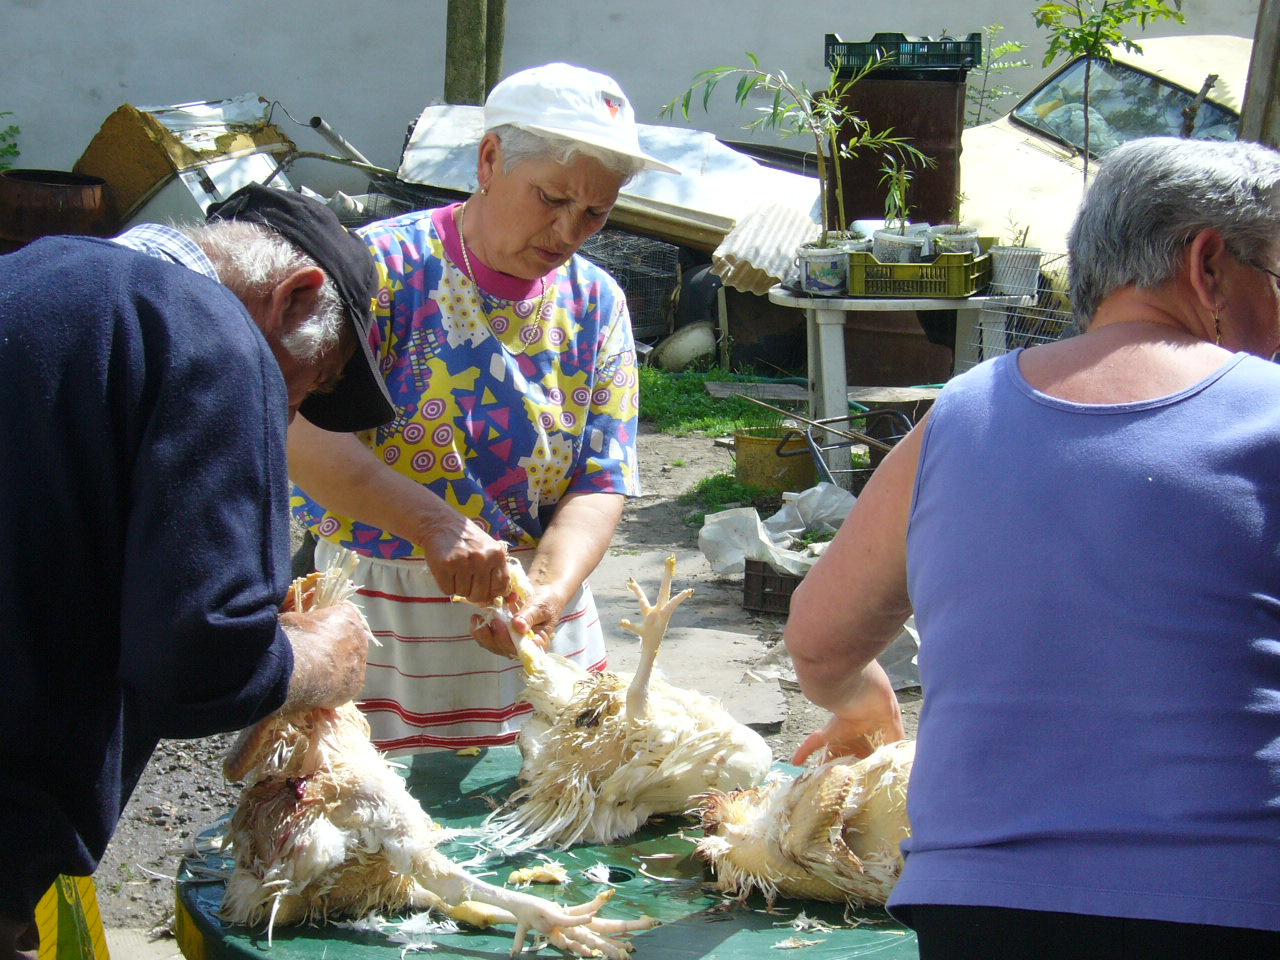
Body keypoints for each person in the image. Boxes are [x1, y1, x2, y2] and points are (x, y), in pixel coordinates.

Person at [784, 136, 1280, 959]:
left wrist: (867, 706)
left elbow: (817, 640)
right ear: (1209, 266)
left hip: (977, 911)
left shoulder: (956, 417)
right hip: (1234, 903)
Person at [0, 183, 394, 959]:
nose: (282, 420)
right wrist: (317, 656)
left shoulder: (29, 279)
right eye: (303, 390)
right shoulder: (210, 330)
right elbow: (198, 661)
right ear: (294, 296)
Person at [288, 62, 677, 755]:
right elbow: (303, 434)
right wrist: (434, 524)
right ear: (490, 159)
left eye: (595, 212)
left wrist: (549, 592)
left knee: (550, 825)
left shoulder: (596, 303)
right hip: (382, 608)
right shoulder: (377, 272)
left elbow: (601, 476)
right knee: (373, 827)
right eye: (551, 198)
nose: (568, 230)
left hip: (531, 611)